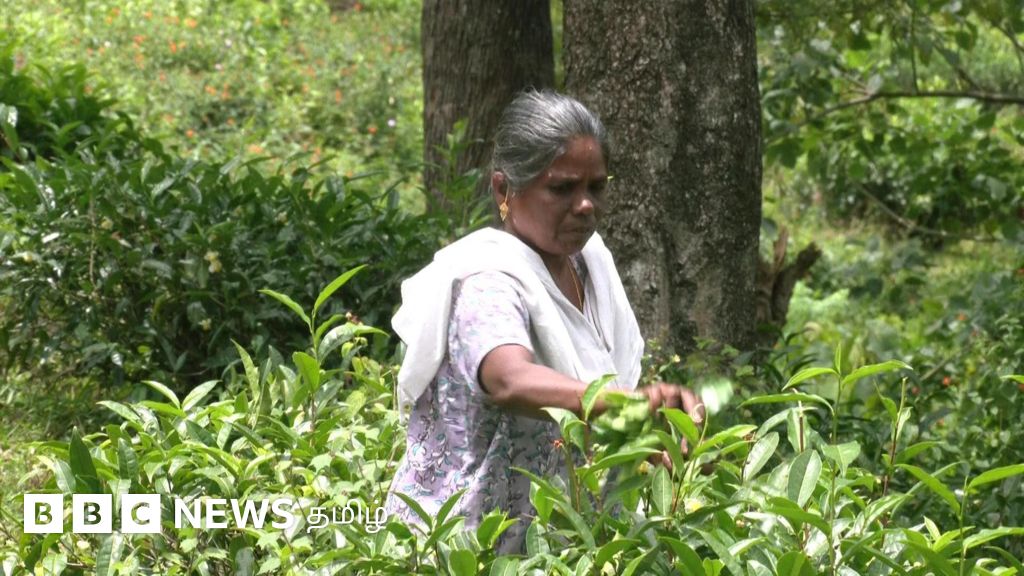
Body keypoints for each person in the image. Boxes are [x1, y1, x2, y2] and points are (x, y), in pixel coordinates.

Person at [384, 89, 703, 554]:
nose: (586, 204)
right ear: (503, 191)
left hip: (561, 542)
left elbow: (587, 401)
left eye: (596, 187)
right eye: (562, 188)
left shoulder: (588, 264)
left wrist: (655, 428)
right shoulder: (487, 279)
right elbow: (510, 379)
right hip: (471, 547)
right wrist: (624, 405)